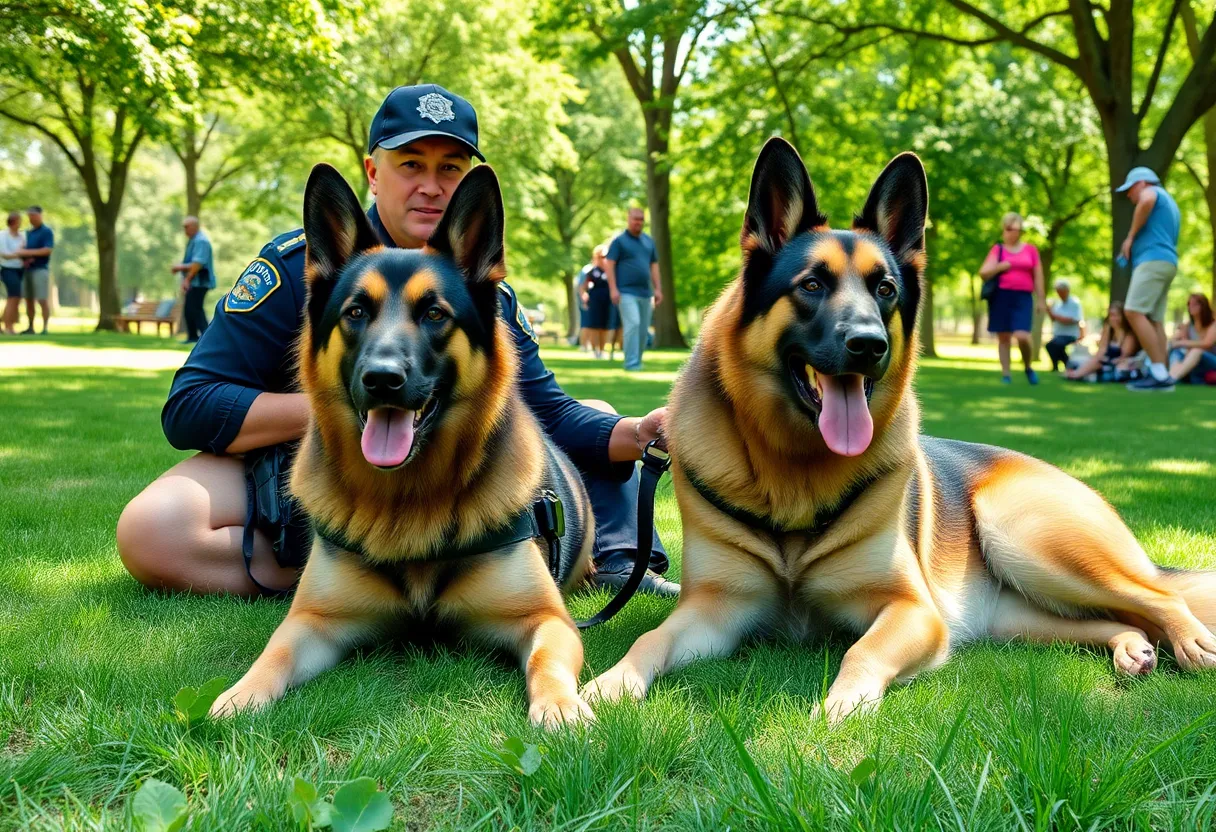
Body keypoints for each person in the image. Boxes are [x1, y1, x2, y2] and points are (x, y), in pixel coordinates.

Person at [116, 84, 677, 599]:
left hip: (444, 475)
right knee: (154, 530)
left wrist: (639, 432)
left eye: (450, 167)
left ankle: (619, 562)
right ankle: (356, 580)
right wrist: (356, 402)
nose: (431, 186)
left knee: (600, 412)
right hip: (301, 469)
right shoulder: (300, 267)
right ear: (373, 172)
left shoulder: (482, 294)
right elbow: (192, 405)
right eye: (411, 164)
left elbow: (546, 411)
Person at [1117, 168, 1182, 392]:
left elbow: (1146, 200)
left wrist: (1130, 237)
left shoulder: (1152, 192)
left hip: (1153, 261)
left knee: (1133, 311)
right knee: (1155, 320)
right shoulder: (1170, 201)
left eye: (1130, 188)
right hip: (1166, 262)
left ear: (1142, 183)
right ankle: (1162, 376)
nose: (1128, 195)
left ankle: (1159, 373)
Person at [978, 212, 1046, 384]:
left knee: (1022, 336)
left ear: (1020, 231)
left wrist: (1041, 300)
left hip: (1023, 297)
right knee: (1004, 337)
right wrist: (1000, 267)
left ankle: (1028, 366)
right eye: (1007, 228)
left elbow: (1038, 276)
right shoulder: (998, 249)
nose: (1010, 232)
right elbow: (983, 273)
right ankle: (1006, 374)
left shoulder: (1031, 250)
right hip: (1001, 296)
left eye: (1014, 229)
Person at [605, 208, 662, 371]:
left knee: (643, 329)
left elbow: (654, 266)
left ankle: (638, 360)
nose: (638, 222)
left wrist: (658, 289)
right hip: (625, 292)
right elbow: (610, 264)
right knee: (633, 324)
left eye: (641, 219)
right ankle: (631, 363)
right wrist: (613, 289)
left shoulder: (648, 242)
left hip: (646, 293)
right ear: (628, 219)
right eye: (635, 218)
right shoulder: (619, 241)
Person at [1065, 301, 1141, 383]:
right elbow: (1101, 351)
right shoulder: (1109, 331)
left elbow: (1125, 356)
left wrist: (1109, 360)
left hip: (1120, 363)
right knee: (1091, 361)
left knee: (1098, 364)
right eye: (1111, 315)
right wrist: (1106, 331)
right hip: (1105, 362)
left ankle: (1076, 374)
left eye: (1116, 315)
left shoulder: (1129, 335)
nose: (1113, 318)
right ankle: (1078, 374)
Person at [172, 216, 216, 343]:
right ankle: (192, 337)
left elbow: (198, 264)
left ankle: (207, 338)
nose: (185, 230)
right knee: (189, 309)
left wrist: (183, 273)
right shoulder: (193, 241)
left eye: (187, 227)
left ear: (195, 226)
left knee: (196, 309)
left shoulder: (201, 241)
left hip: (200, 281)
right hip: (194, 282)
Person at [11, 205, 53, 335]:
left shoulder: (46, 231)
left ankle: (45, 328)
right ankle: (30, 327)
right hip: (27, 269)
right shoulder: (28, 233)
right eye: (29, 216)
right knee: (28, 299)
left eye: (33, 216)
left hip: (40, 269)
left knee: (42, 299)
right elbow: (23, 249)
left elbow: (47, 250)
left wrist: (27, 252)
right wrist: (25, 257)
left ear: (40, 215)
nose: (31, 218)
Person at [1167, 293, 1216, 384]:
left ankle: (1172, 379)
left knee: (1197, 350)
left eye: (1194, 304)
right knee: (1176, 352)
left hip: (1211, 360)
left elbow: (1207, 343)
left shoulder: (1213, 324)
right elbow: (1175, 343)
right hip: (1191, 359)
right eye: (1189, 304)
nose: (1190, 307)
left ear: (1203, 306)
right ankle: (1170, 376)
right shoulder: (1188, 325)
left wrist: (1182, 343)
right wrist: (1177, 338)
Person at [579, 245, 615, 359]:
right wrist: (584, 296)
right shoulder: (591, 271)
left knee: (605, 327)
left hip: (608, 301)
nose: (603, 259)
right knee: (594, 326)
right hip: (595, 301)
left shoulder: (611, 272)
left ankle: (603, 350)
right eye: (601, 257)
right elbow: (583, 287)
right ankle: (596, 351)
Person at [1044, 278, 1083, 372]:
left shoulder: (1074, 303)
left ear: (1067, 290)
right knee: (1050, 346)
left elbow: (1073, 319)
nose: (1059, 294)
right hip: (1058, 334)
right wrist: (1049, 311)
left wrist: (1055, 316)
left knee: (1055, 345)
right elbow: (1054, 319)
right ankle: (1059, 365)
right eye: (1058, 291)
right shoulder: (1058, 304)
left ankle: (1068, 363)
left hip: (1070, 334)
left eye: (1061, 291)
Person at [0, 211, 24, 335]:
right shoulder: (3, 235)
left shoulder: (22, 236)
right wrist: (20, 254)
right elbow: (4, 254)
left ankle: (8, 324)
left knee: (16, 298)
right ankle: (8, 326)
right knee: (13, 297)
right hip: (8, 269)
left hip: (20, 269)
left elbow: (25, 249)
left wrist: (22, 254)